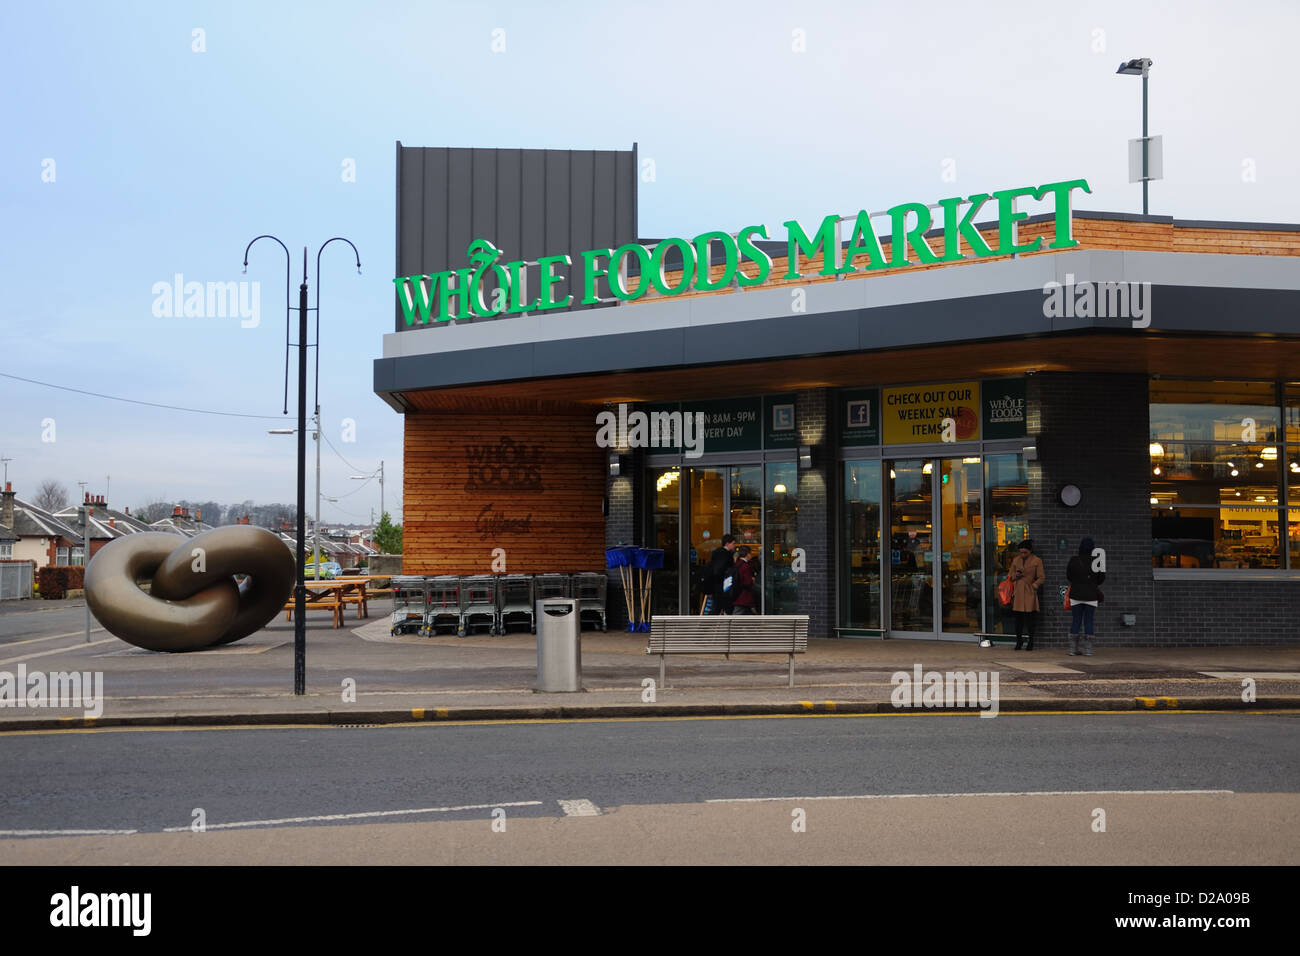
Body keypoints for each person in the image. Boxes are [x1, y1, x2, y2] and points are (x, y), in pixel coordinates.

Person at [1066, 536, 1105, 656]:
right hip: (1091, 595)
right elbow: (1101, 579)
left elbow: (1069, 576)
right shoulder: (1096, 561)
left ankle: (1073, 650)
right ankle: (1089, 650)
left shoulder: (1074, 560)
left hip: (1076, 594)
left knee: (1076, 620)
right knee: (1089, 621)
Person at [1009, 539, 1044, 650]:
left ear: (1030, 551)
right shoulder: (1016, 560)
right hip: (1018, 592)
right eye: (1021, 552)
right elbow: (1010, 576)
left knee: (1030, 620)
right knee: (1018, 620)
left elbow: (1041, 577)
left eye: (1025, 552)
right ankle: (1018, 642)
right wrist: (1016, 575)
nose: (1023, 554)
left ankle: (1031, 642)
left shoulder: (1037, 561)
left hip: (1029, 591)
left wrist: (1034, 586)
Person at [705, 534, 737, 615]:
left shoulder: (717, 553)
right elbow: (720, 570)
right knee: (722, 607)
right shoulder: (725, 555)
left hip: (718, 586)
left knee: (718, 607)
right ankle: (707, 626)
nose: (734, 546)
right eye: (733, 543)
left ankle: (708, 626)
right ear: (727, 544)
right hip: (723, 586)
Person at [730, 546, 759, 614]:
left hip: (736, 594)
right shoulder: (745, 566)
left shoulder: (737, 563)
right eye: (750, 553)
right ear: (747, 554)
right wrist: (752, 580)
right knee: (737, 615)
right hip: (743, 596)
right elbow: (747, 582)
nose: (750, 555)